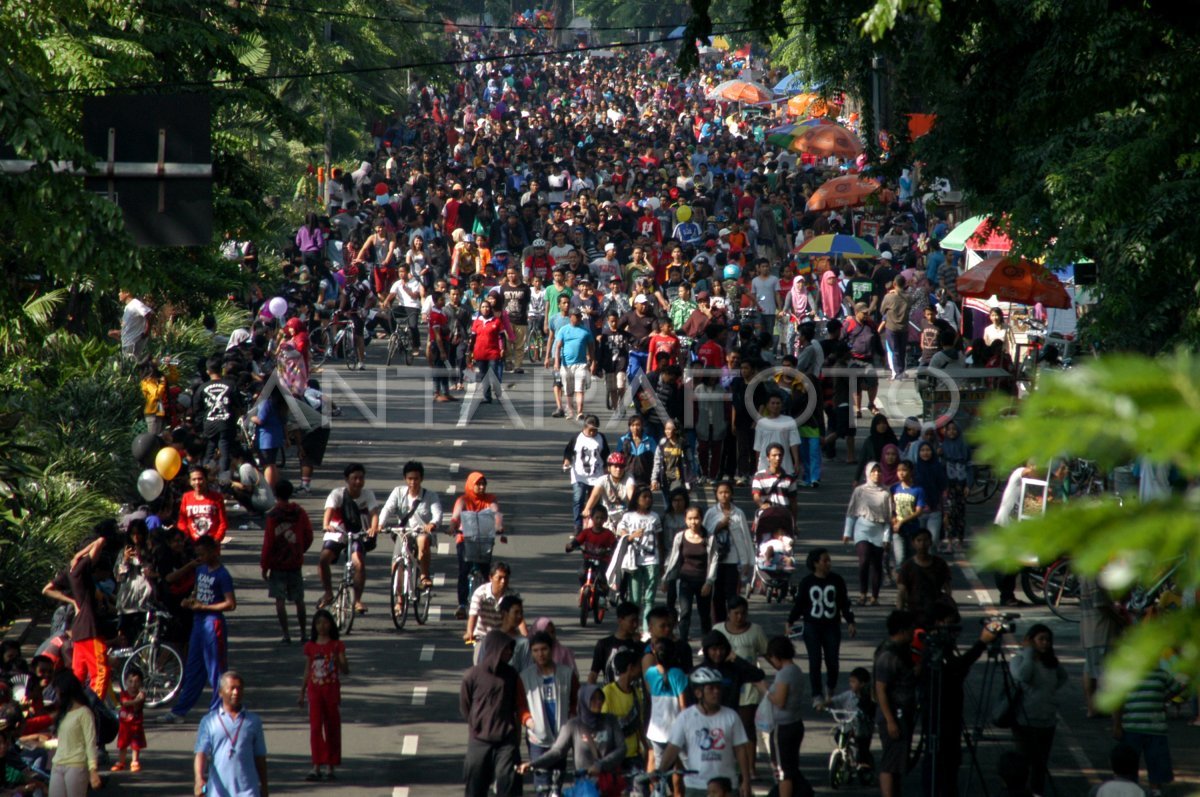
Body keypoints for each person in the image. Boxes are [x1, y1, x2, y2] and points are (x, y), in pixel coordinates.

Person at [919, 602, 999, 797]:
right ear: (938, 623)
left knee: (949, 765)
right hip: (941, 719)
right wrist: (981, 643)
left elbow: (957, 671)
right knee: (941, 766)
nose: (954, 629)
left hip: (949, 717)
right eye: (950, 623)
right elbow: (956, 669)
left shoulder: (942, 647)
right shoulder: (936, 650)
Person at [160, 535, 236, 723]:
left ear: (213, 552)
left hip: (213, 623)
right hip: (198, 622)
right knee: (193, 668)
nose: (200, 557)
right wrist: (191, 601)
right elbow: (197, 590)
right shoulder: (200, 570)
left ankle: (218, 709)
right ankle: (180, 710)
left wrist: (205, 607)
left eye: (202, 554)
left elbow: (230, 604)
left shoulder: (222, 575)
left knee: (216, 669)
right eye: (198, 554)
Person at [42, 527, 118, 699]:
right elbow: (100, 542)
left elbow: (46, 589)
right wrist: (80, 554)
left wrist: (73, 601)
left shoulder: (70, 570)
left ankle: (71, 705)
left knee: (78, 674)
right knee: (101, 672)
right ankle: (93, 707)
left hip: (79, 630)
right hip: (90, 628)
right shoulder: (81, 567)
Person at [656, 667, 754, 797]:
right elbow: (673, 747)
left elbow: (740, 749)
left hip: (726, 787)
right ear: (698, 693)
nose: (716, 692)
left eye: (718, 688)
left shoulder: (731, 716)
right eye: (711, 689)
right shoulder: (685, 717)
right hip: (697, 786)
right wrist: (659, 771)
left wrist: (746, 781)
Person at [522, 685, 625, 797]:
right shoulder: (573, 725)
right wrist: (533, 764)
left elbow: (622, 748)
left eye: (600, 698)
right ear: (584, 701)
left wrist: (601, 765)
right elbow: (557, 752)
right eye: (593, 699)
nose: (598, 702)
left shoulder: (610, 720)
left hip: (609, 782)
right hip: (585, 785)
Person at [788, 548, 856, 707]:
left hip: (832, 626)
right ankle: (816, 694)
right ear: (815, 563)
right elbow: (799, 604)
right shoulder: (807, 582)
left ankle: (830, 686)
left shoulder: (837, 580)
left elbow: (844, 603)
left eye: (829, 560)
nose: (828, 564)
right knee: (815, 660)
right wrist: (790, 621)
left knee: (833, 661)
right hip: (812, 626)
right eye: (825, 561)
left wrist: (851, 622)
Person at [461, 630, 525, 797]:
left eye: (511, 649)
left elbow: (517, 708)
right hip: (479, 741)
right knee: (475, 787)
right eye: (505, 649)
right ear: (493, 648)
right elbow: (466, 707)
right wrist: (478, 725)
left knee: (508, 784)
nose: (509, 653)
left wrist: (516, 738)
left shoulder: (512, 675)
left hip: (506, 741)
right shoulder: (472, 676)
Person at [518, 631, 580, 797]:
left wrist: (571, 719)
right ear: (531, 652)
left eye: (544, 649)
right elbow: (520, 706)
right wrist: (528, 721)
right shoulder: (524, 677)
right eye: (536, 650)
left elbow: (576, 700)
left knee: (556, 783)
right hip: (537, 739)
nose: (540, 654)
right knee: (541, 783)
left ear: (551, 650)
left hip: (561, 737)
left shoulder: (567, 674)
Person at [1009, 624, 1068, 796]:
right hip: (1024, 720)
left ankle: (1037, 792)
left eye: (1048, 640)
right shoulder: (1019, 660)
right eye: (1041, 639)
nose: (1045, 643)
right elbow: (1023, 676)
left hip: (1047, 720)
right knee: (1023, 762)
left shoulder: (1051, 663)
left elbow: (1062, 677)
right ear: (1031, 640)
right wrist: (1028, 654)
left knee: (1040, 764)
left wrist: (1048, 694)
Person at [317, 463, 380, 616]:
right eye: (354, 478)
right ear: (347, 479)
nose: (358, 482)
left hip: (358, 533)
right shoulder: (337, 494)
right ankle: (328, 593)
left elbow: (374, 514)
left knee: (358, 562)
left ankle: (357, 600)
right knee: (324, 559)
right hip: (338, 531)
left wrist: (373, 528)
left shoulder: (368, 494)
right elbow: (329, 511)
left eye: (361, 478)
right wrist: (326, 524)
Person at [193, 671, 269, 797]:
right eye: (232, 688)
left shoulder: (253, 721)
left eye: (239, 688)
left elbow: (260, 757)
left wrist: (264, 786)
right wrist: (199, 779)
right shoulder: (209, 721)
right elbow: (201, 753)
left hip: (248, 791)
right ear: (221, 692)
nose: (236, 692)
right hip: (218, 792)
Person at [1112, 663, 1181, 797]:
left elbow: (1176, 688)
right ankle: (1129, 790)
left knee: (1157, 762)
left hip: (1155, 729)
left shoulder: (1161, 674)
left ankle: (1155, 790)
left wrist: (1163, 698)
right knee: (1129, 763)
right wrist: (1117, 725)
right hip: (1132, 728)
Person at [260, 479, 313, 644]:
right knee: (299, 599)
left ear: (275, 494)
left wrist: (265, 565)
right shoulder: (299, 512)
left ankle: (286, 634)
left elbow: (268, 542)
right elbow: (308, 534)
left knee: (280, 600)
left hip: (277, 563)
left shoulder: (273, 515)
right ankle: (304, 633)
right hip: (295, 562)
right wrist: (300, 549)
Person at [299, 609, 348, 782]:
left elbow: (345, 670)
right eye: (318, 623)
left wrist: (338, 658)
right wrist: (302, 691)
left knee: (332, 726)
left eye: (325, 622)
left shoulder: (337, 645)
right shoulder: (310, 646)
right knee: (315, 728)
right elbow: (307, 670)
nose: (322, 626)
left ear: (331, 624)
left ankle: (330, 766)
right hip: (315, 691)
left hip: (331, 691)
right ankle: (316, 765)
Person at [379, 460, 443, 589]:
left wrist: (432, 523)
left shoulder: (430, 496)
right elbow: (387, 509)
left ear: (422, 479)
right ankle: (399, 600)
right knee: (397, 562)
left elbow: (438, 514)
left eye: (416, 479)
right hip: (403, 532)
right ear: (405, 479)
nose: (413, 482)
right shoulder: (398, 492)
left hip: (421, 532)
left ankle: (424, 575)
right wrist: (380, 524)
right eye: (410, 479)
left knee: (423, 540)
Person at [875, 610, 919, 797]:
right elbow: (880, 689)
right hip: (894, 713)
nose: (913, 633)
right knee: (890, 762)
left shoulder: (900, 650)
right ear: (901, 630)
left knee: (898, 761)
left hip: (902, 711)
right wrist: (890, 720)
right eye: (910, 629)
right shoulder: (888, 655)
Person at [452, 472, 505, 620]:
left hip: (484, 540)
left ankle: (489, 602)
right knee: (464, 570)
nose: (481, 487)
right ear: (471, 485)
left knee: (486, 571)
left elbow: (496, 513)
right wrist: (452, 526)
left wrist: (499, 526)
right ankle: (462, 605)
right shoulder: (463, 500)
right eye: (478, 484)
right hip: (465, 539)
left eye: (483, 484)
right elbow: (456, 516)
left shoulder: (490, 499)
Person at [763, 636, 812, 797]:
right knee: (792, 765)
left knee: (783, 771)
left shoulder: (784, 674)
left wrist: (765, 690)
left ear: (776, 656)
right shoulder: (797, 670)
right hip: (796, 723)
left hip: (783, 727)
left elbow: (780, 701)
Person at [661, 505, 718, 644]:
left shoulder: (709, 538)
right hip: (685, 581)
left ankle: (707, 644)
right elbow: (673, 558)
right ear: (686, 520)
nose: (693, 522)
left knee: (704, 615)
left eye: (696, 518)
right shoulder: (680, 537)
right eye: (690, 519)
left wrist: (709, 582)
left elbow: (714, 560)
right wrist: (666, 578)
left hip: (703, 582)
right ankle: (683, 643)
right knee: (685, 613)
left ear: (701, 519)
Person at [843, 462, 893, 605]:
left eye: (879, 472)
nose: (876, 474)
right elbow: (851, 512)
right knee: (864, 560)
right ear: (868, 473)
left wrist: (886, 537)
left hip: (879, 530)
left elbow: (888, 518)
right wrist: (847, 532)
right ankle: (863, 594)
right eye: (873, 472)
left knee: (876, 564)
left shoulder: (885, 492)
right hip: (862, 529)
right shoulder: (860, 491)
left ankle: (875, 596)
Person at [704, 481, 754, 625]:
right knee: (717, 596)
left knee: (732, 596)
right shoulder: (711, 513)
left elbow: (745, 538)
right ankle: (719, 625)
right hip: (716, 562)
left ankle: (732, 623)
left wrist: (747, 562)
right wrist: (720, 524)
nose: (724, 495)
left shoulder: (738, 513)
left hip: (733, 561)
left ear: (731, 494)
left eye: (727, 492)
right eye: (720, 493)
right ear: (716, 495)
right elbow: (705, 534)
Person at [614, 487, 662, 630]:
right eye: (644, 497)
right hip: (633, 562)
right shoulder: (628, 516)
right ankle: (633, 628)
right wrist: (632, 536)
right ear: (636, 499)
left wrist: (663, 562)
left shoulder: (655, 517)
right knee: (634, 599)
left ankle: (647, 630)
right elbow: (622, 536)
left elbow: (660, 541)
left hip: (652, 561)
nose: (648, 500)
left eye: (650, 497)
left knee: (649, 599)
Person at [47, 671, 101, 797]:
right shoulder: (63, 714)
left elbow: (90, 743)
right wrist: (39, 743)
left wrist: (93, 770)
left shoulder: (84, 713)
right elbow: (62, 741)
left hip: (77, 766)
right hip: (58, 764)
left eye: (58, 691)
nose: (56, 695)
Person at [601, 651, 646, 781]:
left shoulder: (636, 692)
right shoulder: (608, 692)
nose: (640, 670)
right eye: (638, 666)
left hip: (634, 756)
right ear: (630, 668)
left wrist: (646, 747)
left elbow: (639, 724)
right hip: (614, 755)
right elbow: (603, 726)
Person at [895, 528, 953, 622]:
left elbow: (947, 588)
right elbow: (901, 592)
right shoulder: (907, 566)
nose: (922, 544)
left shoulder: (940, 564)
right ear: (913, 543)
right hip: (914, 611)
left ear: (930, 542)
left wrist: (947, 609)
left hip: (935, 610)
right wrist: (899, 615)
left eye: (925, 540)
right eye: (919, 540)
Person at [564, 417, 610, 532]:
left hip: (596, 475)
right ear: (584, 427)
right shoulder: (577, 438)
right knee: (578, 499)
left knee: (594, 500)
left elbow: (605, 454)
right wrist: (567, 460)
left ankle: (594, 524)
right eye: (591, 430)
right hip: (579, 475)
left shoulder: (601, 438)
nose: (593, 432)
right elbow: (568, 451)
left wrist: (606, 467)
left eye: (595, 430)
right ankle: (578, 526)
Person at [588, 602, 643, 685]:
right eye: (632, 621)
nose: (635, 625)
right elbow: (593, 674)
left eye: (637, 621)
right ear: (620, 620)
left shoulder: (640, 646)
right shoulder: (604, 644)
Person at [178, 465, 229, 544]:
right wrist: (186, 538)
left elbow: (223, 523)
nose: (197, 482)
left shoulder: (217, 497)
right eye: (194, 479)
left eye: (200, 479)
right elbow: (182, 522)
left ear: (206, 479)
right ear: (190, 481)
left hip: (211, 546)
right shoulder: (186, 497)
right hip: (192, 545)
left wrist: (216, 539)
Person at [112, 670, 146, 773]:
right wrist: (136, 700)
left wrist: (137, 701)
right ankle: (121, 761)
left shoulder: (141, 695)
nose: (133, 684)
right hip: (124, 725)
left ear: (140, 683)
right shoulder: (124, 694)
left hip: (136, 724)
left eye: (136, 682)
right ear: (125, 682)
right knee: (122, 744)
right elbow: (125, 703)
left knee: (135, 745)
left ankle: (135, 761)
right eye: (130, 681)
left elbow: (136, 708)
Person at [878, 276, 912, 379]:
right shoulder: (909, 297)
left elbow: (882, 311)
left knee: (894, 350)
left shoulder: (889, 297)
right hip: (904, 327)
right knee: (901, 350)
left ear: (894, 284)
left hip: (891, 327)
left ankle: (898, 372)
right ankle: (901, 370)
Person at [109, 288, 153, 359]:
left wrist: (146, 332)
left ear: (127, 293)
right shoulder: (128, 308)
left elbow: (149, 314)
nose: (119, 294)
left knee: (135, 367)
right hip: (127, 345)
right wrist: (119, 332)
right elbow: (130, 328)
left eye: (120, 292)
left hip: (133, 344)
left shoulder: (135, 303)